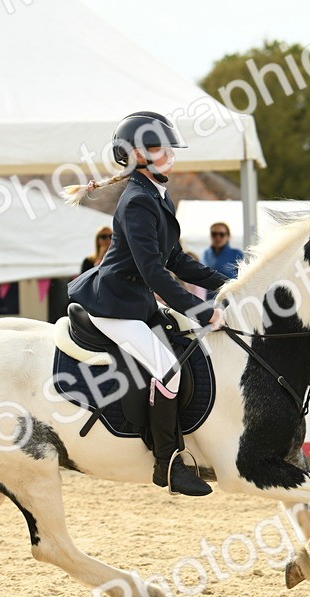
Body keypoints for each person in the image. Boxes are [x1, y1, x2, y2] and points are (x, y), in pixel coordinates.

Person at [64, 111, 228, 496]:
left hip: (135, 301)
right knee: (168, 370)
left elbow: (175, 259)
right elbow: (154, 273)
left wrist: (229, 282)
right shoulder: (137, 201)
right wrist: (200, 309)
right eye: (157, 147)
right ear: (134, 154)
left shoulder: (158, 194)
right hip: (114, 304)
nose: (167, 153)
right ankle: (167, 461)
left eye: (167, 146)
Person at [48, 227, 113, 322]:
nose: (108, 240)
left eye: (111, 236)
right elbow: (86, 281)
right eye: (104, 237)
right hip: (90, 301)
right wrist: (99, 259)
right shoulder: (88, 261)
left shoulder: (114, 261)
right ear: (98, 240)